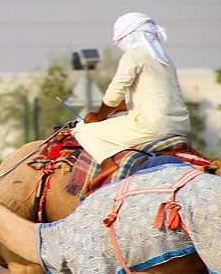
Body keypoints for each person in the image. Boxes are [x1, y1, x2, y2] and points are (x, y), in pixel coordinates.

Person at [73, 12, 190, 168]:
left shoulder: (134, 55)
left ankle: (108, 165)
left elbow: (113, 94)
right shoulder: (164, 59)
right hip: (180, 126)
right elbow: (157, 96)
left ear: (128, 36)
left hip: (151, 127)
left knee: (82, 130)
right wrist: (122, 107)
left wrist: (99, 115)